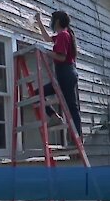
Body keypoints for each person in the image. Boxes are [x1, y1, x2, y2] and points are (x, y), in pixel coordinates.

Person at [34, 11, 82, 140]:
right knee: (37, 94)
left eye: (52, 20)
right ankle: (55, 117)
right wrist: (39, 21)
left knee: (71, 107)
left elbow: (61, 57)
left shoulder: (63, 35)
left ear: (58, 21)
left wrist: (46, 52)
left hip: (65, 73)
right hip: (65, 74)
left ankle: (77, 139)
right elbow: (47, 38)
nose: (51, 23)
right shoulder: (63, 35)